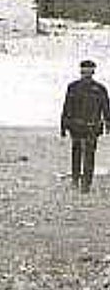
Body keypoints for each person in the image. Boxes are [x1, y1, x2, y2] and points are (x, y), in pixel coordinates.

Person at [61, 59, 110, 193]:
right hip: (77, 126)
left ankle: (86, 184)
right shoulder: (73, 87)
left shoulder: (100, 88)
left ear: (93, 71)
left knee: (89, 155)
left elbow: (106, 109)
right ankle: (76, 180)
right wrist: (63, 125)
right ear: (81, 71)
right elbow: (67, 107)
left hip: (91, 127)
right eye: (84, 71)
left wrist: (108, 123)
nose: (87, 73)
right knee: (77, 153)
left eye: (89, 70)